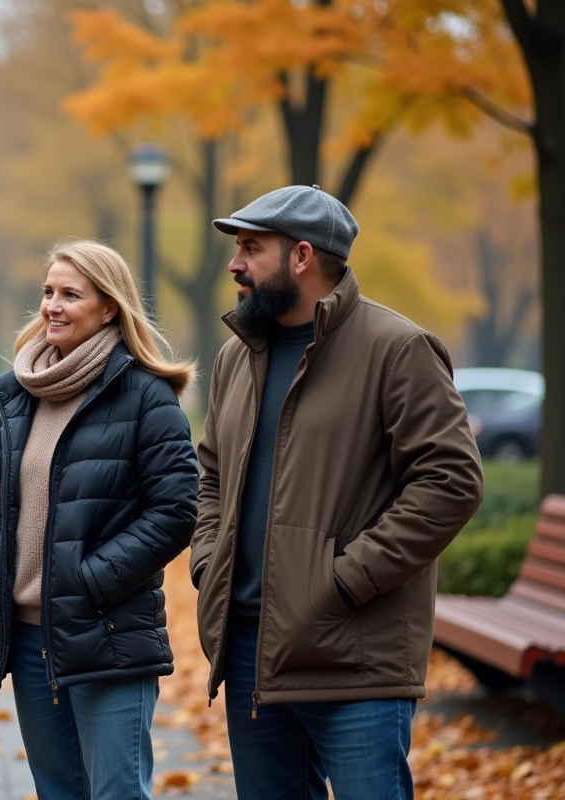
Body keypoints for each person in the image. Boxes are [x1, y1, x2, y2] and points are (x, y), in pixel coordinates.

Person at [191, 185, 484, 799]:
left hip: (356, 657)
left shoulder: (397, 349)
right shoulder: (236, 357)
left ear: (302, 256)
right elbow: (211, 473)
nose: (235, 263)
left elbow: (451, 481)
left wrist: (345, 582)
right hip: (249, 651)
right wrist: (207, 559)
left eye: (251, 248)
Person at [0, 240, 199, 799]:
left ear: (109, 307)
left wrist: (89, 582)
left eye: (70, 294)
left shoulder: (146, 396)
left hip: (107, 634)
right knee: (59, 792)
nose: (52, 305)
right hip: (27, 638)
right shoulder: (23, 394)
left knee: (116, 792)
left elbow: (175, 510)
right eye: (48, 292)